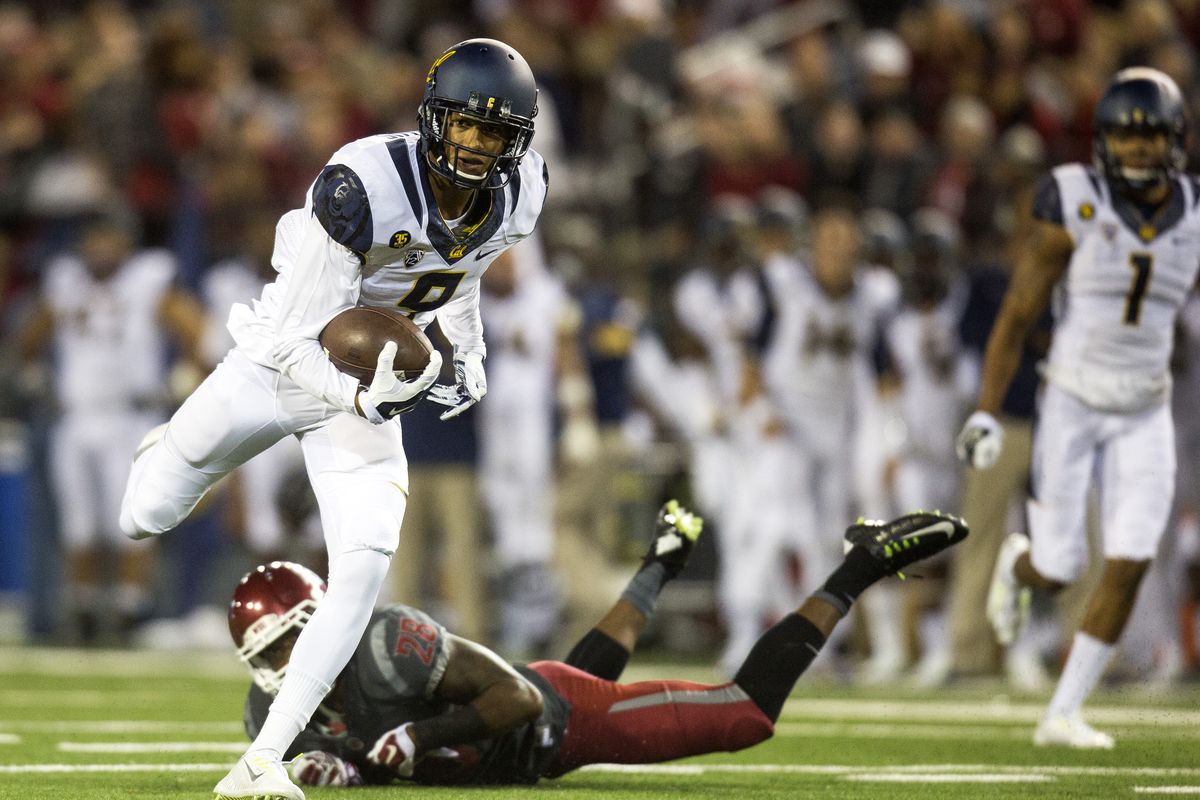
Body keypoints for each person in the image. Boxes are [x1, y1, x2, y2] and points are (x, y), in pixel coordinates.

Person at [117, 39, 549, 800]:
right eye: (466, 126)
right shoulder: (363, 184)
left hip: (368, 385)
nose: (478, 144)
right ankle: (170, 447)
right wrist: (359, 397)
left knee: (365, 560)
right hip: (281, 366)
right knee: (142, 514)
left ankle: (261, 763)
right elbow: (292, 339)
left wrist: (468, 349)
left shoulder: (522, 193)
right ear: (432, 118)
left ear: (519, 140)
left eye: (496, 132)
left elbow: (462, 270)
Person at [226, 502, 967, 787]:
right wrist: (330, 768)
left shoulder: (388, 642)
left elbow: (515, 699)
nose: (282, 669)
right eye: (267, 658)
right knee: (585, 669)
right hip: (522, 728)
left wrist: (413, 738)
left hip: (552, 722)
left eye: (292, 644)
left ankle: (862, 562)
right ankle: (662, 563)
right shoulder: (268, 725)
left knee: (743, 715)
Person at [955, 67, 1200, 748]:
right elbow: (1018, 311)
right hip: (1070, 399)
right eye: (1126, 137)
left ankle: (1062, 711)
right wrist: (986, 408)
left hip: (1145, 409)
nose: (1139, 150)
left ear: (1176, 141)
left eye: (1151, 137)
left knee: (1130, 556)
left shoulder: (1196, 213)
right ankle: (1020, 563)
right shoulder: (1072, 201)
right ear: (1104, 142)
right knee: (1058, 566)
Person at [15, 214, 206, 644]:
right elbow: (29, 336)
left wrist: (184, 376)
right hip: (77, 416)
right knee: (79, 522)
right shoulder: (65, 282)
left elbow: (196, 328)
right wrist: (33, 373)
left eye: (107, 239)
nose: (99, 249)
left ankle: (128, 609)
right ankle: (82, 610)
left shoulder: (147, 279)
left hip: (129, 415)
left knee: (131, 519)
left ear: (124, 243)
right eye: (91, 240)